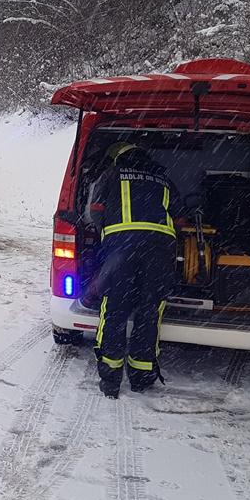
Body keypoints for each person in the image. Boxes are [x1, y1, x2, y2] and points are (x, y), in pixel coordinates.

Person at [84, 142, 178, 398]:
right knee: (149, 312)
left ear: (117, 158)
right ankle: (141, 376)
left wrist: (107, 232)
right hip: (159, 252)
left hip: (121, 251)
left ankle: (111, 380)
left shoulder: (111, 174)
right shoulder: (163, 178)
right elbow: (178, 213)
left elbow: (95, 212)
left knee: (114, 309)